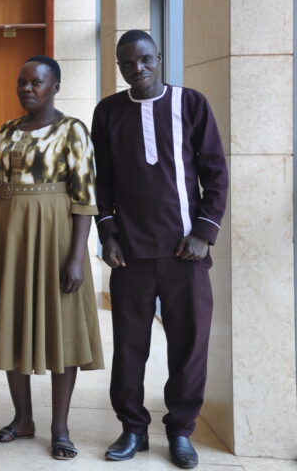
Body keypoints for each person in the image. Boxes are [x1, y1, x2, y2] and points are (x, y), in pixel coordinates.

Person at [92, 30, 228, 469]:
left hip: (184, 254)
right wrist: (108, 234)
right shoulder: (109, 112)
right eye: (128, 63)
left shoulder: (191, 104)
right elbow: (103, 181)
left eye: (146, 59)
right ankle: (132, 428)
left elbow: (215, 174)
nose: (139, 69)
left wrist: (204, 233)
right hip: (129, 254)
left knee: (189, 346)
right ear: (120, 66)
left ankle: (181, 430)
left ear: (160, 57)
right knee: (130, 346)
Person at [0, 55, 104, 461]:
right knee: (12, 322)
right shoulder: (6, 131)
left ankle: (60, 427)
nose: (27, 89)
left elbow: (85, 199)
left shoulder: (72, 130)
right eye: (22, 82)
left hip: (56, 236)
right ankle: (22, 419)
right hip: (10, 238)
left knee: (61, 328)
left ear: (55, 86)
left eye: (37, 83)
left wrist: (77, 258)